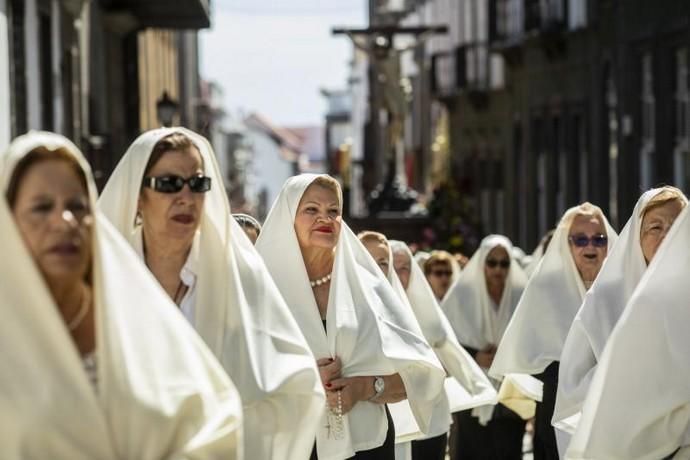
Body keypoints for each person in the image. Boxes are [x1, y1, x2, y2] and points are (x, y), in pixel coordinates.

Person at [0, 131, 242, 458]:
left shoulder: (135, 311)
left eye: (76, 205)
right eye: (42, 208)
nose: (64, 221)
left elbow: (212, 416)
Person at [98, 127, 324, 459]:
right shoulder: (103, 275)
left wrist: (220, 429)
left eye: (198, 184)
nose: (186, 198)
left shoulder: (243, 276)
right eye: (169, 184)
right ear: (137, 196)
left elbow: (299, 390)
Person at [256, 174, 446, 460]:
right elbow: (237, 372)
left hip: (367, 447)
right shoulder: (259, 288)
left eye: (333, 211)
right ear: (288, 218)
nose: (325, 218)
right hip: (292, 446)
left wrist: (365, 387)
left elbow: (419, 374)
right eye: (311, 210)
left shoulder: (367, 286)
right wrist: (304, 381)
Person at [554, 187, 687, 437]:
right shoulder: (604, 300)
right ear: (637, 236)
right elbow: (573, 390)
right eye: (655, 228)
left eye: (678, 225)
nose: (668, 236)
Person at [490, 203, 616, 460]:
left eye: (599, 239)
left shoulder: (620, 287)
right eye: (580, 239)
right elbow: (528, 352)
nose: (590, 246)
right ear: (566, 244)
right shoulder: (545, 288)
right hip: (558, 407)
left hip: (613, 404)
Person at [362, 233, 497, 460]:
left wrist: (476, 385)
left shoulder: (425, 306)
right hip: (389, 409)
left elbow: (449, 349)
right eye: (393, 265)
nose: (400, 273)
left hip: (431, 410)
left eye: (406, 267)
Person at [442, 235, 529, 460]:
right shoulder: (461, 296)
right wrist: (476, 356)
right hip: (471, 387)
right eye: (492, 262)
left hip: (510, 389)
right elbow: (444, 341)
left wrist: (508, 353)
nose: (497, 269)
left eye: (504, 263)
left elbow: (532, 337)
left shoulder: (522, 296)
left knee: (508, 448)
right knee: (472, 449)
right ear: (482, 263)